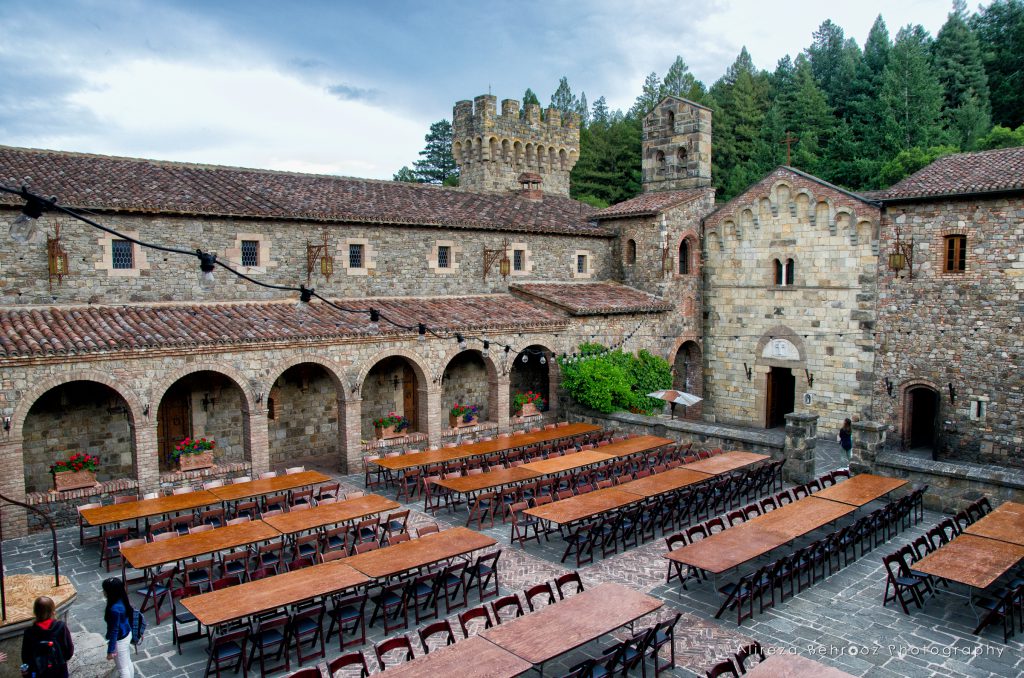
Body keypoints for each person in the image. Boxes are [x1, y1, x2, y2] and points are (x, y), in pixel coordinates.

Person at [20, 596, 73, 678]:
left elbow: (26, 656)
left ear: (35, 612)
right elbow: (69, 650)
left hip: (38, 672)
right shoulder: (61, 627)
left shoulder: (29, 632)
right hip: (59, 670)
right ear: (53, 611)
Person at [102, 578, 135, 678]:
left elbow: (114, 631)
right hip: (127, 634)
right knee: (127, 662)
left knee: (122, 669)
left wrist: (110, 651)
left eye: (105, 590)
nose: (103, 592)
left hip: (120, 640)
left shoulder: (114, 609)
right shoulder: (123, 600)